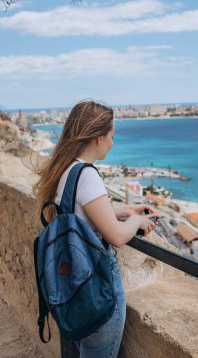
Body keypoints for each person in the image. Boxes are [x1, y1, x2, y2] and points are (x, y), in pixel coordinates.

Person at [33, 100, 160, 358]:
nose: (113, 143)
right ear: (99, 138)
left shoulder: (66, 169)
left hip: (72, 286)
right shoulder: (87, 174)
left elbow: (76, 216)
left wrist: (120, 211)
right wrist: (137, 222)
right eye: (112, 136)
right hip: (95, 289)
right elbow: (116, 236)